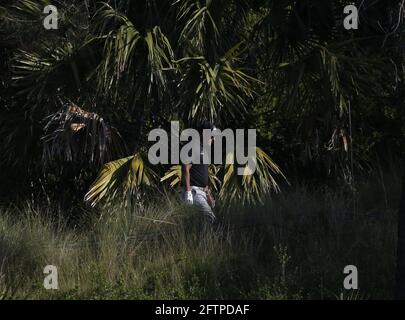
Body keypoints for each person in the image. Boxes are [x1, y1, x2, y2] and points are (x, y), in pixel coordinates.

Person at [181, 120, 217, 223]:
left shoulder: (203, 150)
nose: (213, 139)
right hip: (194, 192)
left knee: (198, 224)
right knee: (211, 220)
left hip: (202, 192)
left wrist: (208, 194)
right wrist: (188, 192)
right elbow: (185, 168)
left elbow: (201, 176)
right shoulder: (193, 146)